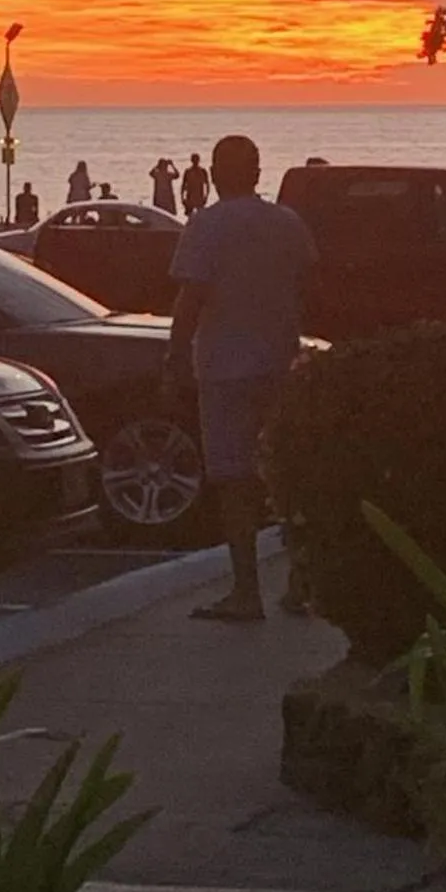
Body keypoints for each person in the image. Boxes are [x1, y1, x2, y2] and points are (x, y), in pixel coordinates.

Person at [166, 134, 318, 623]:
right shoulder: (287, 223)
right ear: (256, 172)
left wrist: (174, 358)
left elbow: (191, 298)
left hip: (225, 368)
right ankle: (300, 581)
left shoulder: (206, 226)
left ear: (213, 174)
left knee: (234, 481)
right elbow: (309, 285)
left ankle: (246, 591)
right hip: (279, 362)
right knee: (286, 475)